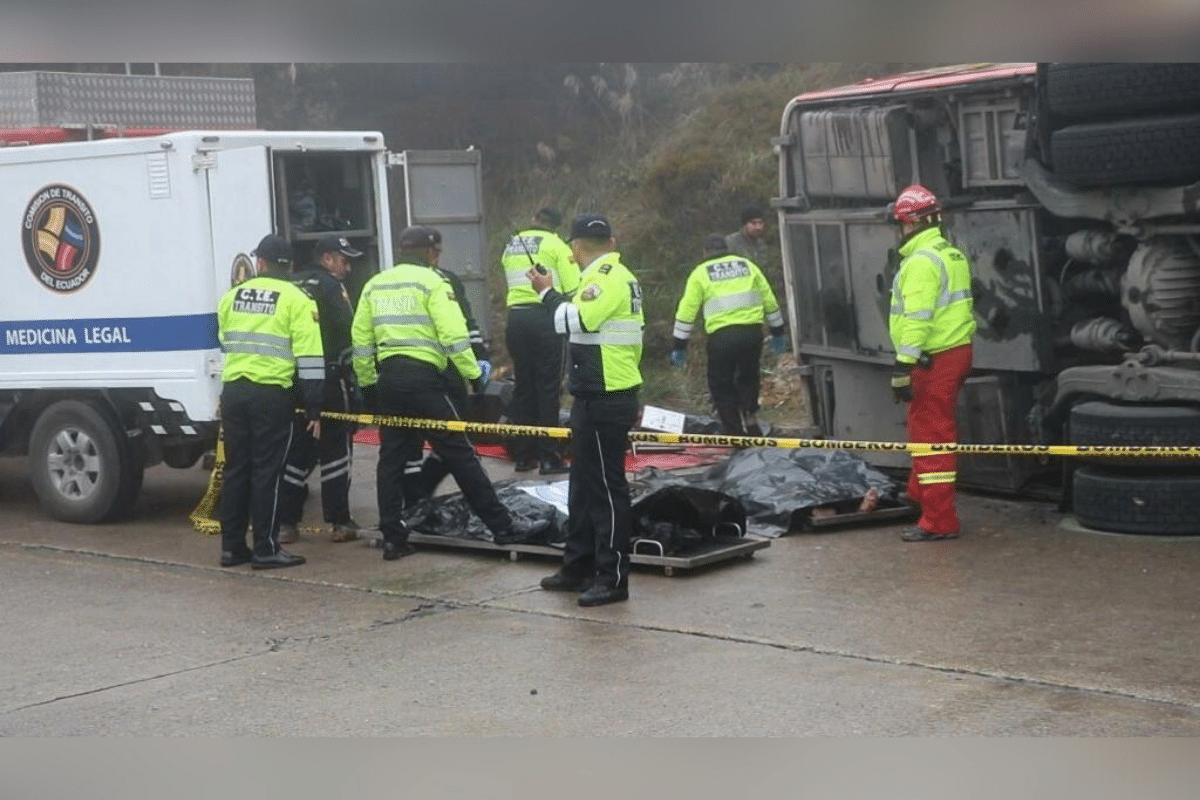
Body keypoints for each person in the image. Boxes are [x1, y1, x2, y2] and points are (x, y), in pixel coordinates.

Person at [352, 225, 549, 561]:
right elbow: (454, 336)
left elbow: (360, 340)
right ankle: (503, 527)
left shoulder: (375, 284)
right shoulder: (434, 282)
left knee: (391, 459)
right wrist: (475, 375)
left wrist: (369, 384)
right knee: (460, 452)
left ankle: (392, 537)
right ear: (431, 253)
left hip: (390, 380)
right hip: (425, 381)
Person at [529, 213, 643, 607]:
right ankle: (577, 566)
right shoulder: (612, 274)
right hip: (599, 392)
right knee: (581, 486)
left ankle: (612, 578)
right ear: (611, 240)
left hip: (605, 396)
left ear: (575, 248)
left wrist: (546, 292)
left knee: (606, 491)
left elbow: (574, 320)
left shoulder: (604, 278)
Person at [216, 233, 324, 570]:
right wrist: (314, 406)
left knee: (236, 469)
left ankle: (232, 548)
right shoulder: (298, 299)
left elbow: (222, 341)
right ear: (288, 264)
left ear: (260, 263)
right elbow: (309, 358)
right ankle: (266, 547)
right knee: (267, 472)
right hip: (271, 395)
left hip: (234, 392)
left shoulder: (232, 296)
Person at [887, 184, 975, 542]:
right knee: (924, 424)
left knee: (931, 434)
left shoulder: (921, 262)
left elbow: (918, 319)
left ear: (908, 223)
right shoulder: (949, 253)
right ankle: (918, 496)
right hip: (952, 351)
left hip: (932, 357)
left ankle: (939, 521)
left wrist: (903, 366)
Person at [277, 234, 365, 545]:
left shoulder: (292, 285)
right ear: (326, 259)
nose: (348, 267)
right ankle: (340, 522)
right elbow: (348, 332)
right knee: (336, 451)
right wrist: (358, 380)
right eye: (344, 260)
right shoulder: (330, 286)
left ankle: (286, 523)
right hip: (327, 380)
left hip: (293, 382)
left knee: (296, 453)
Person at [405, 227, 493, 504]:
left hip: (400, 375)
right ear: (431, 253)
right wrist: (478, 365)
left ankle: (413, 498)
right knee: (456, 438)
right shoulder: (443, 281)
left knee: (409, 444)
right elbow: (463, 329)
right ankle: (420, 494)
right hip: (443, 373)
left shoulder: (385, 281)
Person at [671, 234, 787, 436]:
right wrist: (778, 331)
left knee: (721, 384)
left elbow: (686, 313)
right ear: (726, 249)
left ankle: (734, 433)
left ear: (705, 252)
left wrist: (679, 346)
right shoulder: (747, 265)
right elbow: (769, 299)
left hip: (722, 338)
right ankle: (750, 416)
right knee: (749, 376)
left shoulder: (700, 273)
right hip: (751, 334)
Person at [500, 208, 580, 475]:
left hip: (516, 320)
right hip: (546, 319)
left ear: (534, 220)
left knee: (523, 387)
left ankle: (524, 456)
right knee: (548, 388)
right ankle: (549, 457)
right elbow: (572, 289)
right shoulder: (557, 245)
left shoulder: (512, 245)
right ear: (556, 227)